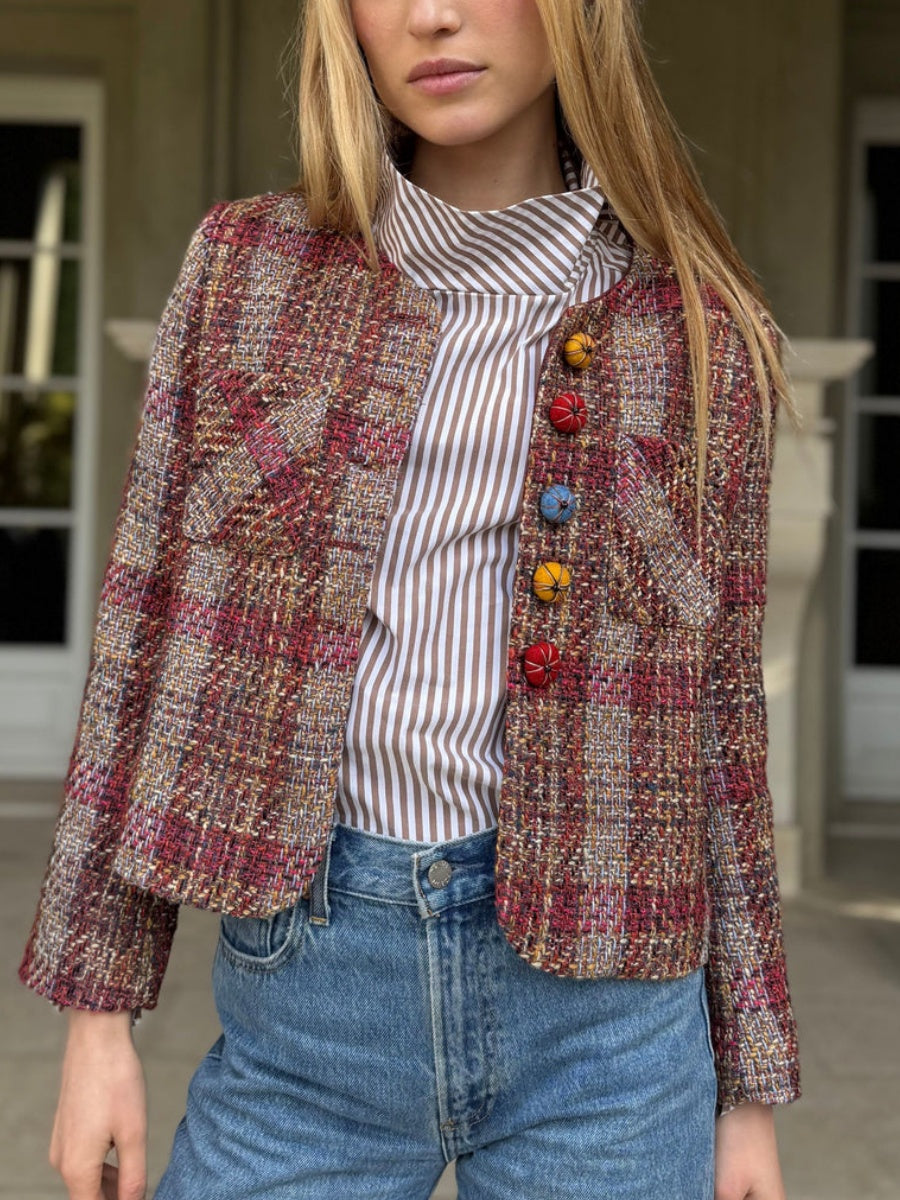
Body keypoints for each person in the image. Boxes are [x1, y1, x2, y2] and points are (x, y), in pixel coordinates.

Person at [19, 1, 801, 1197]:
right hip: (310, 1009)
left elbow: (722, 733)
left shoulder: (699, 334)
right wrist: (97, 1022)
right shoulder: (248, 272)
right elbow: (140, 640)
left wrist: (745, 1095)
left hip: (611, 1039)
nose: (432, 15)